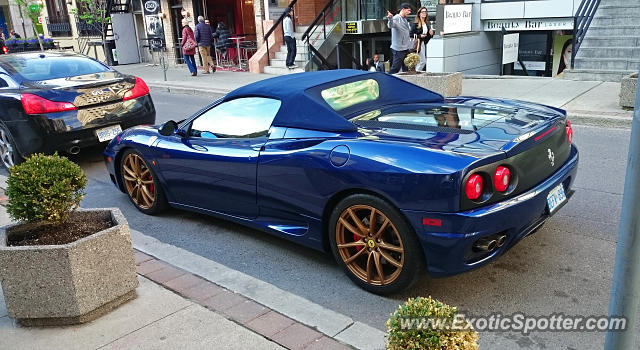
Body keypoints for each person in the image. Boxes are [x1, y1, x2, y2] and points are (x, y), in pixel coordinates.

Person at [386, 3, 412, 74]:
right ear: (403, 9)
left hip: (406, 48)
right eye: (408, 10)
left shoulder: (405, 19)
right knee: (395, 68)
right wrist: (390, 18)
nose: (409, 12)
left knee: (407, 67)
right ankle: (388, 80)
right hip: (398, 49)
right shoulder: (396, 18)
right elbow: (390, 25)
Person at [411, 7, 434, 72]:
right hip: (417, 44)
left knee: (420, 61)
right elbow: (410, 34)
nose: (424, 13)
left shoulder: (426, 23)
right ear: (419, 14)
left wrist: (431, 34)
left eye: (425, 12)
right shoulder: (415, 23)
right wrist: (420, 36)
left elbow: (427, 36)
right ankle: (416, 73)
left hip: (423, 43)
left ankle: (416, 73)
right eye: (422, 12)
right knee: (422, 61)